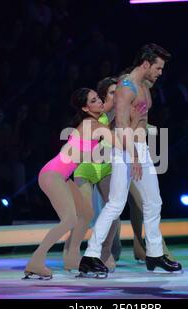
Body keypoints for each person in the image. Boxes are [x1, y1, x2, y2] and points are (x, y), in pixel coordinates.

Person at [79, 44, 182, 277]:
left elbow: (140, 118)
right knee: (116, 204)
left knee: (154, 202)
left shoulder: (144, 84)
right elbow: (122, 125)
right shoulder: (126, 88)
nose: (160, 72)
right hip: (127, 149)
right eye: (157, 67)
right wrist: (133, 155)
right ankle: (90, 256)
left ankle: (155, 254)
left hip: (140, 148)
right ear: (145, 64)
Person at [24, 88, 145, 279]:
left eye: (99, 98)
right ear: (86, 108)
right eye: (94, 100)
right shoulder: (94, 126)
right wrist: (136, 122)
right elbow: (121, 143)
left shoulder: (94, 122)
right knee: (69, 219)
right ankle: (36, 261)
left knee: (86, 213)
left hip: (60, 175)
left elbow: (109, 107)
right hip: (52, 174)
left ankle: (72, 257)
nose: (99, 102)